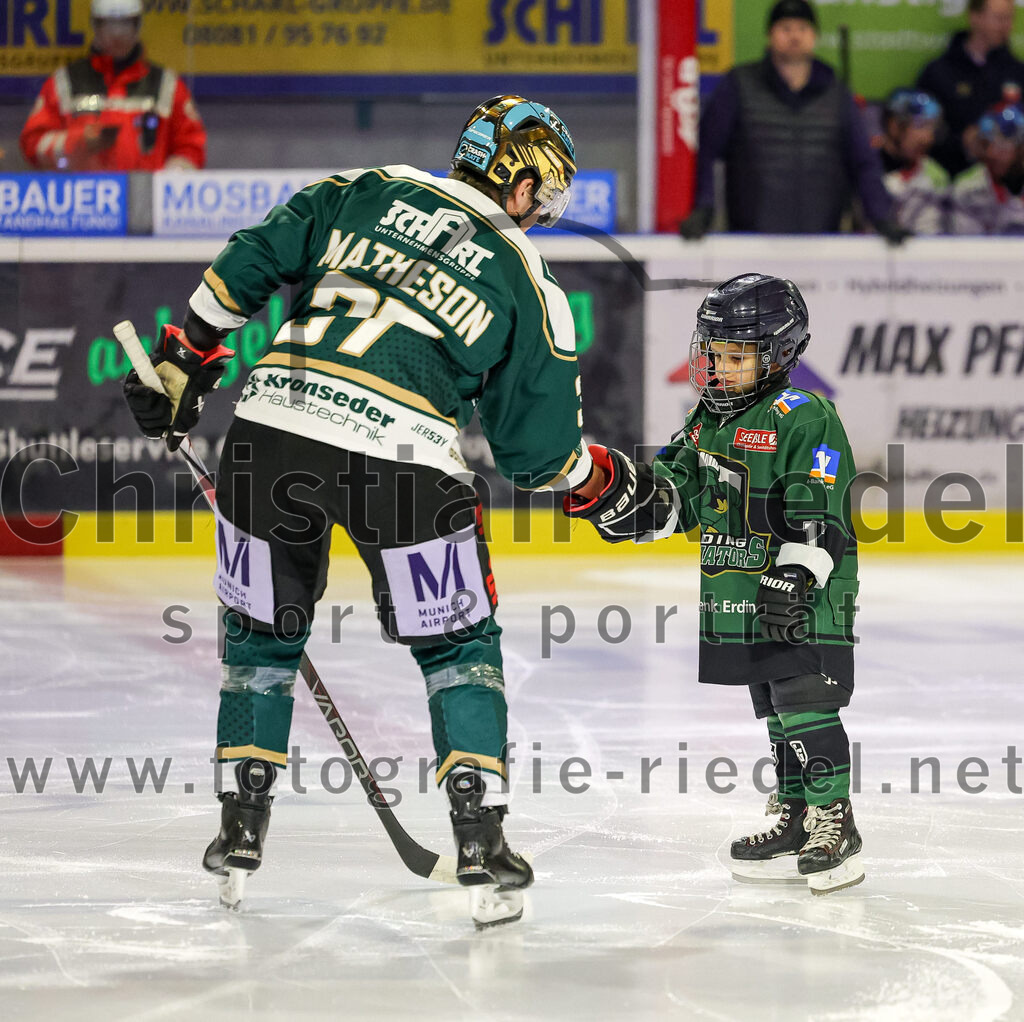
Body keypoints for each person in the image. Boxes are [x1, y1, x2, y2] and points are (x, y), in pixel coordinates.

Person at [122, 95, 602, 924]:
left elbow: (251, 259)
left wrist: (185, 359)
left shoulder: (367, 186)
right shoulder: (526, 276)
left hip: (270, 432)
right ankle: (480, 836)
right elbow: (539, 456)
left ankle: (240, 829)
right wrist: (608, 486)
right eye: (545, 189)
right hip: (407, 465)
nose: (543, 209)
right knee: (458, 644)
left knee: (260, 637)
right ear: (521, 180)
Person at [566, 273, 864, 896]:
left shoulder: (804, 415)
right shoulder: (705, 424)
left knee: (807, 704)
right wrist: (616, 499)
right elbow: (677, 496)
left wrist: (795, 575)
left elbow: (818, 503)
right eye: (715, 355)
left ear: (780, 353)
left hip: (806, 596)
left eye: (737, 357)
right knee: (776, 713)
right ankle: (794, 814)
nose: (721, 369)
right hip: (737, 593)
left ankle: (837, 821)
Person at [679, 0, 902, 242]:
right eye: (785, 28)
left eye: (802, 29)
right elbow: (707, 151)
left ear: (814, 36)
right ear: (769, 35)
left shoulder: (837, 94)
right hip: (750, 242)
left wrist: (881, 217)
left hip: (822, 243)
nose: (794, 36)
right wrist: (704, 208)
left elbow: (864, 162)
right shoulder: (739, 85)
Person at [20, 0, 205, 172]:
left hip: (144, 201)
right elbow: (33, 143)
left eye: (125, 24)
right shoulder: (66, 82)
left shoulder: (166, 85)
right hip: (82, 199)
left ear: (137, 25)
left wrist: (168, 181)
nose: (117, 35)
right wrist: (78, 142)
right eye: (109, 25)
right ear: (96, 26)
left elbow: (192, 146)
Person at [916, 0, 1024, 178]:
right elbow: (921, 132)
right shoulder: (939, 72)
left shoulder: (1017, 73)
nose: (1007, 26)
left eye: (1010, 19)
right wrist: (964, 143)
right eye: (999, 18)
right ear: (975, 17)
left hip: (1008, 187)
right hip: (950, 180)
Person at [878, 89, 950, 235]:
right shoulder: (867, 170)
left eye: (932, 127)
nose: (928, 138)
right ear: (894, 125)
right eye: (920, 125)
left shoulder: (937, 176)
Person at [951, 103, 1024, 234]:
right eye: (986, 145)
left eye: (1002, 146)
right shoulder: (967, 188)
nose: (991, 153)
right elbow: (967, 247)